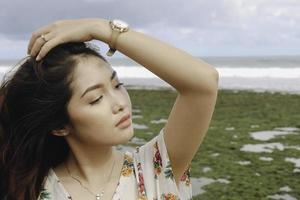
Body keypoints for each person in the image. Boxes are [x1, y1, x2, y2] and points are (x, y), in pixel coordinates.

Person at [0, 18, 219, 200]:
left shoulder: (154, 169)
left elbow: (204, 82)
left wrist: (99, 29)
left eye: (117, 85)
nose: (120, 103)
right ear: (59, 125)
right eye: (96, 99)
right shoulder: (35, 192)